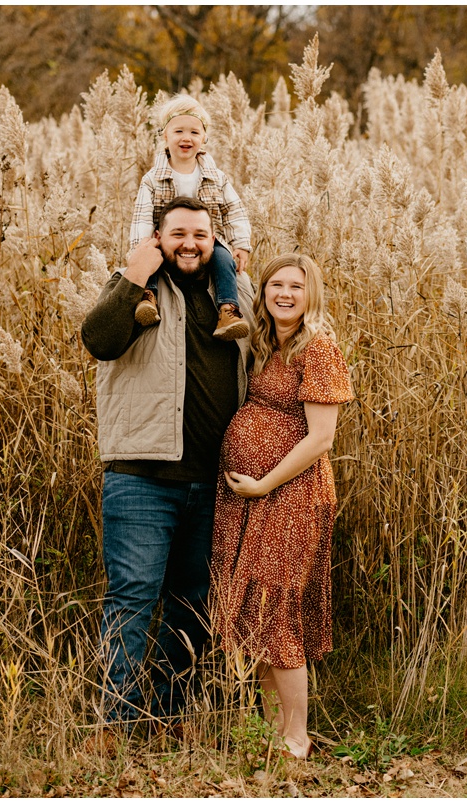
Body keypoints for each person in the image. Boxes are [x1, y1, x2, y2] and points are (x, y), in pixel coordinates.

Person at [81, 196, 255, 748]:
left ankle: (166, 716)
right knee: (133, 597)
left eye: (201, 235)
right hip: (141, 477)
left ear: (215, 241)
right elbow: (98, 341)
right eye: (178, 233)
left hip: (214, 482)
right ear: (157, 238)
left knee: (191, 602)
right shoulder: (136, 291)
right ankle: (115, 723)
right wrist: (133, 275)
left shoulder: (234, 296)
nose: (190, 244)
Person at [211, 253, 354, 759]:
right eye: (276, 285)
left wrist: (264, 484)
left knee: (278, 615)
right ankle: (276, 735)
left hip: (290, 496)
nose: (285, 294)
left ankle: (296, 738)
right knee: (259, 612)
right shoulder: (269, 343)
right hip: (252, 497)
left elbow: (321, 439)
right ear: (262, 292)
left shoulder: (317, 349)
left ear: (311, 293)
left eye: (296, 286)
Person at [129, 94, 251, 341]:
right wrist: (140, 248)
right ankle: (148, 297)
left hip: (206, 241)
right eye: (179, 131)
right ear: (165, 136)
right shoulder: (153, 179)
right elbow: (142, 216)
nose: (187, 138)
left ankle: (227, 309)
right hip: (166, 240)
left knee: (223, 258)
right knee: (151, 255)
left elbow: (234, 210)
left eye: (195, 132)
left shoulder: (216, 177)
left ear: (204, 138)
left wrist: (241, 245)